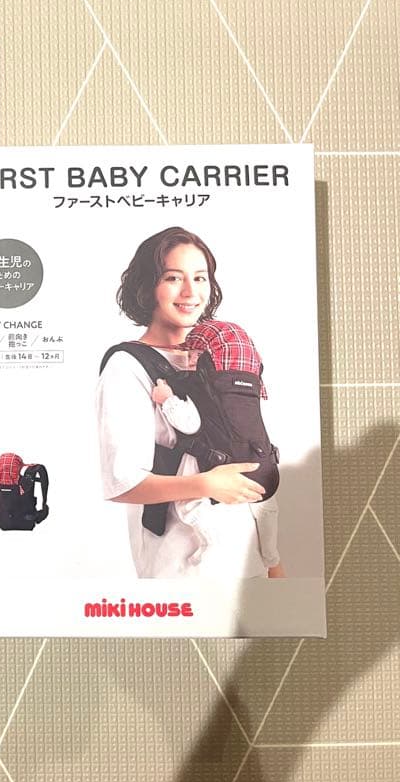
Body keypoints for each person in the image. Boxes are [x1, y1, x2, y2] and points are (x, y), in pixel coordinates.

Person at [96, 227, 270, 579]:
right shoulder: (127, 367)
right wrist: (205, 484)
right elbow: (122, 481)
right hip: (181, 571)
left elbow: (251, 445)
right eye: (173, 278)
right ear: (148, 287)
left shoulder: (224, 357)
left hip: (249, 563)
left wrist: (272, 562)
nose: (191, 292)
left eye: (200, 278)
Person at [149, 319, 285, 578]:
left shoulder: (197, 388)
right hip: (263, 465)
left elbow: (190, 424)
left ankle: (208, 543)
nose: (190, 360)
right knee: (267, 509)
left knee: (188, 505)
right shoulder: (248, 388)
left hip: (216, 463)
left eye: (194, 355)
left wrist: (165, 399)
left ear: (206, 362)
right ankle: (271, 555)